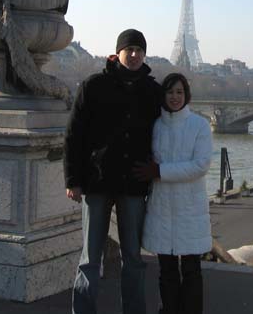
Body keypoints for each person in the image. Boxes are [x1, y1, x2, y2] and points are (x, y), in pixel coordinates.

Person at [63, 29, 162, 314]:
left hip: (133, 182)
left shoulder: (153, 91)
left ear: (145, 55)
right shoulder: (94, 85)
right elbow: (73, 136)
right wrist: (73, 179)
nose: (134, 55)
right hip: (97, 182)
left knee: (133, 257)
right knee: (90, 257)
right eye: (129, 49)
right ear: (117, 52)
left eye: (139, 50)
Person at [133, 73, 213, 314]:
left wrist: (159, 171)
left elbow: (201, 165)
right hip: (162, 208)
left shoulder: (199, 125)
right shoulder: (156, 125)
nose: (175, 97)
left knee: (191, 270)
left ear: (186, 95)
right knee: (166, 271)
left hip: (190, 209)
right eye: (170, 92)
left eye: (179, 92)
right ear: (163, 95)